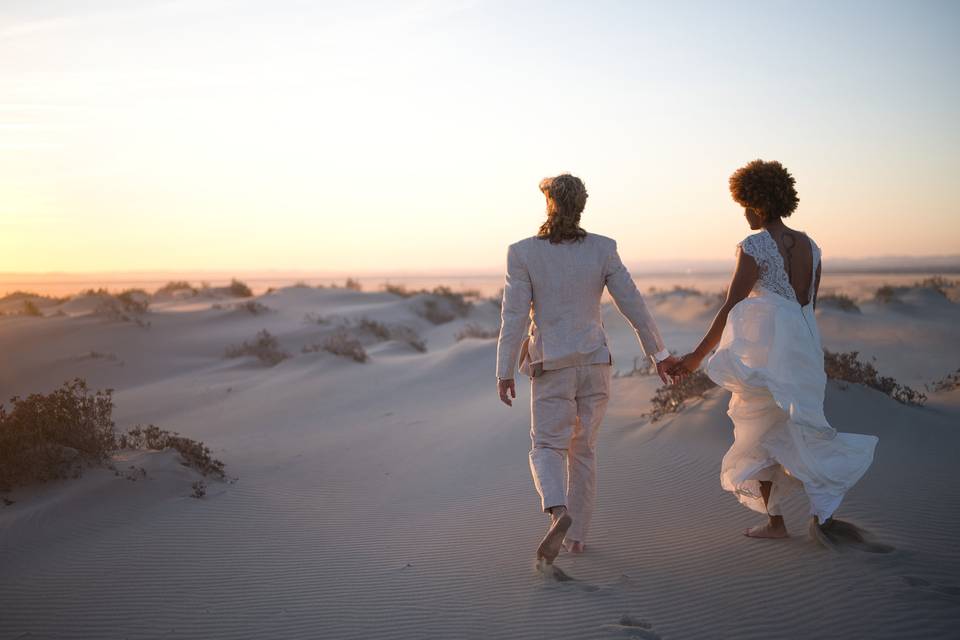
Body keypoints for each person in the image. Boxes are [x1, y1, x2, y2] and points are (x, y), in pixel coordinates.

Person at [670, 159, 878, 541]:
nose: (744, 213)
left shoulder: (754, 245)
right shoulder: (812, 247)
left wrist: (697, 357)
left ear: (758, 202)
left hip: (770, 354)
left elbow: (731, 304)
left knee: (757, 429)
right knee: (804, 428)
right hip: (804, 348)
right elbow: (807, 307)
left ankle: (776, 522)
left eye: (745, 204)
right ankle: (822, 516)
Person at [495, 173, 678, 565]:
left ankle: (558, 512)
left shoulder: (523, 252)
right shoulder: (603, 249)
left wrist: (504, 370)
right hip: (595, 364)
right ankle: (577, 538)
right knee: (584, 450)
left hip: (552, 366)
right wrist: (658, 353)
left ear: (549, 204)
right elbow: (634, 305)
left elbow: (512, 317)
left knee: (546, 446)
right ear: (581, 206)